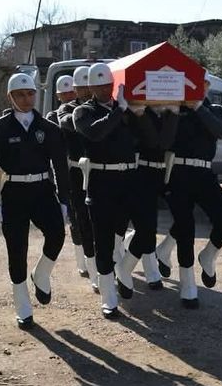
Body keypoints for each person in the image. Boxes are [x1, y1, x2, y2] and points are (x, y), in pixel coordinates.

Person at [0, 73, 70, 329]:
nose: (26, 99)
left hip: (42, 190)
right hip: (14, 193)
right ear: (10, 97)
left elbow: (60, 166)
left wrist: (64, 200)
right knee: (16, 251)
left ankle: (41, 274)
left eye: (30, 93)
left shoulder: (49, 129)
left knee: (57, 235)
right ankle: (23, 307)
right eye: (20, 94)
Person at [72, 62, 147, 318]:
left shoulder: (124, 109)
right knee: (102, 242)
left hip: (130, 179)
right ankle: (109, 297)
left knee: (146, 231)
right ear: (90, 87)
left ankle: (124, 270)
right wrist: (120, 111)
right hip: (102, 181)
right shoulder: (82, 112)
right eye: (99, 85)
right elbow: (96, 133)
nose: (105, 89)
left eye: (108, 85)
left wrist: (141, 114)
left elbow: (145, 139)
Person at [155, 79, 222, 309]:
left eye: (204, 84)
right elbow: (164, 140)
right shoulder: (175, 110)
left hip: (204, 173)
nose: (201, 86)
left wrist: (198, 106)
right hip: (178, 172)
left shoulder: (215, 110)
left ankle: (208, 256)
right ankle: (188, 284)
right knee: (185, 226)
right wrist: (176, 111)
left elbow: (220, 130)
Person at [117, 104, 179, 292]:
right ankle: (130, 269)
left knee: (179, 218)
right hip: (140, 172)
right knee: (146, 226)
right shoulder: (135, 112)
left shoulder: (170, 113)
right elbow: (153, 142)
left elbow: (168, 143)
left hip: (163, 172)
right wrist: (142, 114)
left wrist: (174, 113)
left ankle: (144, 256)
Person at [57, 67, 99, 293]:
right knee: (81, 219)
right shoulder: (66, 110)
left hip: (101, 171)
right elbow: (68, 124)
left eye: (86, 86)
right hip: (75, 172)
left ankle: (107, 263)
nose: (83, 91)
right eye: (79, 87)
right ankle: (91, 268)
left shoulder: (99, 107)